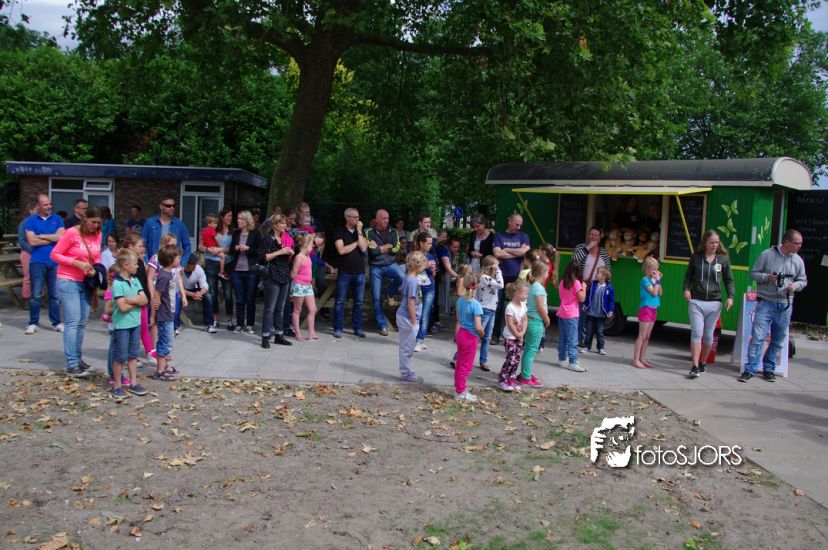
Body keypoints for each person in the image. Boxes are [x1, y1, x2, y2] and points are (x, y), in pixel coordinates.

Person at [739, 229, 807, 383]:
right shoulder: (767, 255)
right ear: (787, 242)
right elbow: (753, 273)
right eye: (797, 243)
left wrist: (795, 286)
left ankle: (769, 368)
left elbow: (803, 280)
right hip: (765, 302)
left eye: (800, 244)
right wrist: (767, 277)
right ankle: (750, 369)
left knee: (778, 339)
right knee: (758, 337)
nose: (799, 246)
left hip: (785, 304)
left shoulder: (797, 260)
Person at [51, 205, 102, 377]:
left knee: (82, 322)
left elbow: (96, 256)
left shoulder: (98, 234)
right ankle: (71, 363)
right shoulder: (71, 233)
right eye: (93, 222)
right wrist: (75, 262)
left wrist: (97, 268)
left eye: (99, 222)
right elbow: (55, 254)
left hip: (85, 281)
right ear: (85, 219)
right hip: (68, 280)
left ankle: (78, 359)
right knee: (73, 321)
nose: (96, 225)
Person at [683, 230, 735, 379]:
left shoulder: (723, 259)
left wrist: (730, 297)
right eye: (711, 242)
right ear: (705, 242)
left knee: (708, 335)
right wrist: (686, 289)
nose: (714, 245)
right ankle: (694, 366)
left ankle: (703, 362)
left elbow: (729, 280)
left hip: (714, 302)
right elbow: (688, 276)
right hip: (696, 301)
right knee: (697, 333)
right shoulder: (696, 257)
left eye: (717, 242)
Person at [109, 249, 149, 401]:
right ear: (126, 265)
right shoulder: (117, 284)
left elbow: (145, 299)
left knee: (133, 355)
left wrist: (132, 300)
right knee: (120, 356)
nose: (138, 266)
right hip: (122, 325)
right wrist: (137, 302)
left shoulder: (135, 280)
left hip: (135, 323)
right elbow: (122, 307)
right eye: (135, 264)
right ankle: (117, 385)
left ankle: (133, 383)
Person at [24, 194, 64, 334]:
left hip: (55, 262)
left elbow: (62, 237)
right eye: (45, 204)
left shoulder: (57, 219)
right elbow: (32, 241)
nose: (49, 207)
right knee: (36, 295)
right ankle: (33, 323)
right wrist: (53, 238)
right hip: (37, 262)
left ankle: (56, 322)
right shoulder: (30, 221)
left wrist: (42, 235)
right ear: (38, 206)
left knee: (55, 295)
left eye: (50, 204)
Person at [492, 213, 531, 343]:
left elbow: (525, 252)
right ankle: (495, 335)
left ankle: (519, 336)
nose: (518, 227)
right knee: (498, 306)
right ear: (510, 221)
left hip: (518, 276)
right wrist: (518, 253)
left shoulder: (524, 236)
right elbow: (497, 253)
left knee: (519, 307)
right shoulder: (499, 236)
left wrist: (507, 249)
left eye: (520, 225)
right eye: (516, 224)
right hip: (501, 276)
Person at [258, 213, 294, 348]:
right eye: (282, 223)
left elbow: (286, 258)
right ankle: (265, 337)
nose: (285, 225)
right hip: (272, 276)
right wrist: (280, 252)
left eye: (285, 223)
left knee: (281, 308)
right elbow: (262, 258)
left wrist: (290, 253)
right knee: (270, 308)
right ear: (275, 225)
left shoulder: (285, 238)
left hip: (284, 275)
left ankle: (279, 335)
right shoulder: (268, 239)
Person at [572, 226, 612, 348]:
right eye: (592, 234)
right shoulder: (581, 248)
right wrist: (588, 248)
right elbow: (574, 260)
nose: (593, 237)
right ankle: (578, 339)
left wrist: (607, 287)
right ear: (588, 235)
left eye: (596, 235)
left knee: (589, 316)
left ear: (599, 238)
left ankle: (586, 340)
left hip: (597, 288)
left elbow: (608, 271)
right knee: (580, 314)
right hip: (582, 285)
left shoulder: (603, 252)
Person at [366, 208, 404, 336]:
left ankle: (389, 292)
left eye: (387, 218)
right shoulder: (369, 232)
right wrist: (388, 245)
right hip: (375, 267)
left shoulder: (393, 231)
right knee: (376, 297)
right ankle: (382, 325)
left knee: (403, 277)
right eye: (383, 218)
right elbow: (373, 251)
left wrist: (381, 248)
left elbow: (397, 248)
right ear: (377, 220)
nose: (386, 220)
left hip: (391, 264)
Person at [332, 208, 368, 339]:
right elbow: (341, 250)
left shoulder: (361, 232)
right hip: (345, 271)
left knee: (358, 302)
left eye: (358, 217)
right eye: (354, 217)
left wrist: (359, 232)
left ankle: (357, 328)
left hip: (360, 272)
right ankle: (338, 328)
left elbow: (363, 248)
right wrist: (356, 243)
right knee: (340, 301)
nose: (357, 219)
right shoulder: (339, 231)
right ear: (347, 218)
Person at [518, 261, 553, 387]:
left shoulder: (532, 286)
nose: (548, 274)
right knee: (532, 350)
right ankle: (526, 377)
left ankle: (525, 373)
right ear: (542, 273)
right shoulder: (539, 288)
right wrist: (547, 319)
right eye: (547, 272)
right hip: (536, 322)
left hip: (531, 320)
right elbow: (540, 307)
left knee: (528, 349)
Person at [199, 207, 234, 330]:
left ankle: (229, 319)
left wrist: (221, 249)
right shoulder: (211, 229)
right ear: (222, 217)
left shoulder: (232, 231)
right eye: (228, 216)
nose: (230, 218)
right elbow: (200, 246)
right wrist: (208, 249)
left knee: (228, 293)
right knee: (212, 293)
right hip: (211, 263)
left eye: (231, 216)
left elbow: (233, 249)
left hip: (227, 263)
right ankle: (215, 319)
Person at [147, 233, 187, 337]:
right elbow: (150, 278)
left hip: (172, 292)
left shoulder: (175, 260)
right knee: (157, 318)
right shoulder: (155, 258)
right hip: (159, 292)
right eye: (172, 245)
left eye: (175, 245)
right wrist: (152, 295)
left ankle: (167, 336)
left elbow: (179, 278)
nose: (174, 247)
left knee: (172, 315)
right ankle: (156, 342)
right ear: (164, 244)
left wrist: (183, 295)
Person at [122, 234, 154, 362]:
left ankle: (149, 352)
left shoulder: (140, 262)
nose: (143, 249)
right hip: (133, 302)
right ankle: (129, 355)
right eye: (140, 246)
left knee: (144, 327)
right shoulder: (125, 265)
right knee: (132, 329)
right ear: (130, 247)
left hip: (142, 300)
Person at [397, 251, 427, 384]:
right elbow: (410, 302)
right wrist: (414, 321)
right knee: (407, 348)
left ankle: (406, 372)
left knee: (407, 346)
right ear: (417, 264)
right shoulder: (413, 280)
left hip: (406, 317)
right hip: (408, 319)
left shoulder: (409, 277)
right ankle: (406, 374)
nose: (424, 265)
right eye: (423, 263)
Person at [229, 210, 261, 335]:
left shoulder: (255, 233)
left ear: (248, 220)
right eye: (238, 218)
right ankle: (239, 324)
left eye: (242, 219)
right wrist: (236, 248)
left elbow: (259, 251)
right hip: (237, 270)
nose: (239, 221)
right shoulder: (236, 233)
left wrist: (248, 249)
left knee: (250, 299)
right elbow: (231, 250)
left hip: (250, 271)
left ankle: (250, 324)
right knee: (239, 299)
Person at [454, 270, 484, 402]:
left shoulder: (460, 300)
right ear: (477, 286)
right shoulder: (476, 305)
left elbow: (459, 319)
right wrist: (482, 334)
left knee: (460, 364)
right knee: (466, 366)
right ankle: (460, 392)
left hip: (461, 333)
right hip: (470, 337)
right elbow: (478, 327)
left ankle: (459, 389)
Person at [151, 245, 180, 381]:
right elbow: (158, 293)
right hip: (164, 314)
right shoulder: (163, 276)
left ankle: (164, 366)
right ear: (170, 260)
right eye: (177, 257)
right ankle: (160, 371)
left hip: (169, 313)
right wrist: (155, 310)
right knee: (165, 342)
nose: (179, 260)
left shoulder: (169, 274)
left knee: (167, 340)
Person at [498, 279, 529, 392]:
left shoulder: (523, 305)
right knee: (510, 359)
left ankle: (511, 379)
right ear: (517, 293)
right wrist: (517, 334)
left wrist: (522, 333)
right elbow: (510, 323)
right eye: (525, 293)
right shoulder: (510, 307)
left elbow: (525, 320)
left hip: (519, 337)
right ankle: (502, 380)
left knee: (516, 359)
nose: (527, 295)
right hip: (510, 338)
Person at [141, 196, 192, 264]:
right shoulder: (150, 223)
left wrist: (182, 264)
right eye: (168, 206)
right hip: (154, 263)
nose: (172, 208)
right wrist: (146, 262)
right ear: (161, 206)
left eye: (173, 206)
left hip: (172, 264)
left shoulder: (179, 224)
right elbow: (143, 244)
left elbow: (187, 245)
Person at [632, 257, 662, 369]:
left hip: (654, 308)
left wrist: (658, 281)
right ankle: (636, 359)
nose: (655, 271)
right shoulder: (645, 280)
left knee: (647, 336)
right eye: (653, 269)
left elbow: (660, 293)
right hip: (646, 308)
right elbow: (654, 293)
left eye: (656, 269)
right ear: (647, 269)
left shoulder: (654, 280)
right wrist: (657, 281)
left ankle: (642, 358)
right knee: (642, 335)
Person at [557, 261, 587, 373]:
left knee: (563, 338)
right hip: (571, 314)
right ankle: (573, 362)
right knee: (573, 339)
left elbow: (561, 297)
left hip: (562, 312)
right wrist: (584, 287)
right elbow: (582, 299)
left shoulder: (562, 282)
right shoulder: (577, 283)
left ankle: (562, 359)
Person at [475, 255, 503, 372]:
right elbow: (501, 285)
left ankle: (483, 361)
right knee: (475, 336)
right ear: (491, 267)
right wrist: (499, 272)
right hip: (484, 310)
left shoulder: (489, 279)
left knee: (486, 338)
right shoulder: (484, 278)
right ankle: (458, 358)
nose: (498, 268)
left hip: (491, 310)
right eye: (496, 266)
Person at [290, 233, 319, 341]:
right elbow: (293, 274)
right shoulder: (299, 258)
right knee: (297, 310)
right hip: (299, 285)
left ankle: (311, 332)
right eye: (311, 246)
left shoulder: (307, 256)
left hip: (308, 286)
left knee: (313, 309)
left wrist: (311, 237)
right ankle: (297, 333)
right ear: (305, 246)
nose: (312, 248)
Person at [580, 267, 615, 355]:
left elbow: (611, 301)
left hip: (601, 315)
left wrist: (611, 310)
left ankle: (601, 348)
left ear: (604, 276)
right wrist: (585, 305)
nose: (596, 274)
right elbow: (588, 296)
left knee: (600, 332)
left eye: (598, 273)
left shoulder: (609, 288)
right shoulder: (593, 285)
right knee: (589, 331)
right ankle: (587, 347)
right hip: (591, 313)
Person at [181, 253, 217, 333]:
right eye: (192, 264)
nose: (195, 266)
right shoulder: (180, 270)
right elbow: (178, 288)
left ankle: (209, 325)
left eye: (195, 264)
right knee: (178, 297)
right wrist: (191, 294)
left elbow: (205, 286)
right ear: (186, 264)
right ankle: (175, 326)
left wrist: (199, 293)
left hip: (195, 290)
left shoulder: (198, 269)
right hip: (183, 291)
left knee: (208, 296)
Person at [412, 232, 437, 351]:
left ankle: (420, 340)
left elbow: (433, 274)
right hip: (417, 288)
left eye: (431, 243)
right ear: (421, 243)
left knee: (425, 315)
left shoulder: (431, 256)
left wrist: (433, 269)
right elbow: (411, 271)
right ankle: (413, 338)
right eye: (428, 243)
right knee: (416, 314)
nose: (430, 246)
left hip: (429, 287)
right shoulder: (414, 255)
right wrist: (426, 265)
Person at [16, 203, 36, 305]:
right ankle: (26, 298)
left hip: (40, 252)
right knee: (28, 277)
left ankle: (40, 297)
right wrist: (32, 250)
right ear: (31, 211)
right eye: (36, 210)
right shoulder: (24, 223)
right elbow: (22, 241)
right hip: (28, 253)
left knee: (40, 276)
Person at [201, 213, 229, 280]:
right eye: (215, 223)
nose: (216, 225)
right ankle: (222, 272)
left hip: (208, 247)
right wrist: (220, 246)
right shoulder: (212, 230)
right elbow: (216, 239)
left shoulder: (204, 230)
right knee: (223, 256)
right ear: (209, 223)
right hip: (212, 247)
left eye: (216, 223)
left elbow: (203, 240)